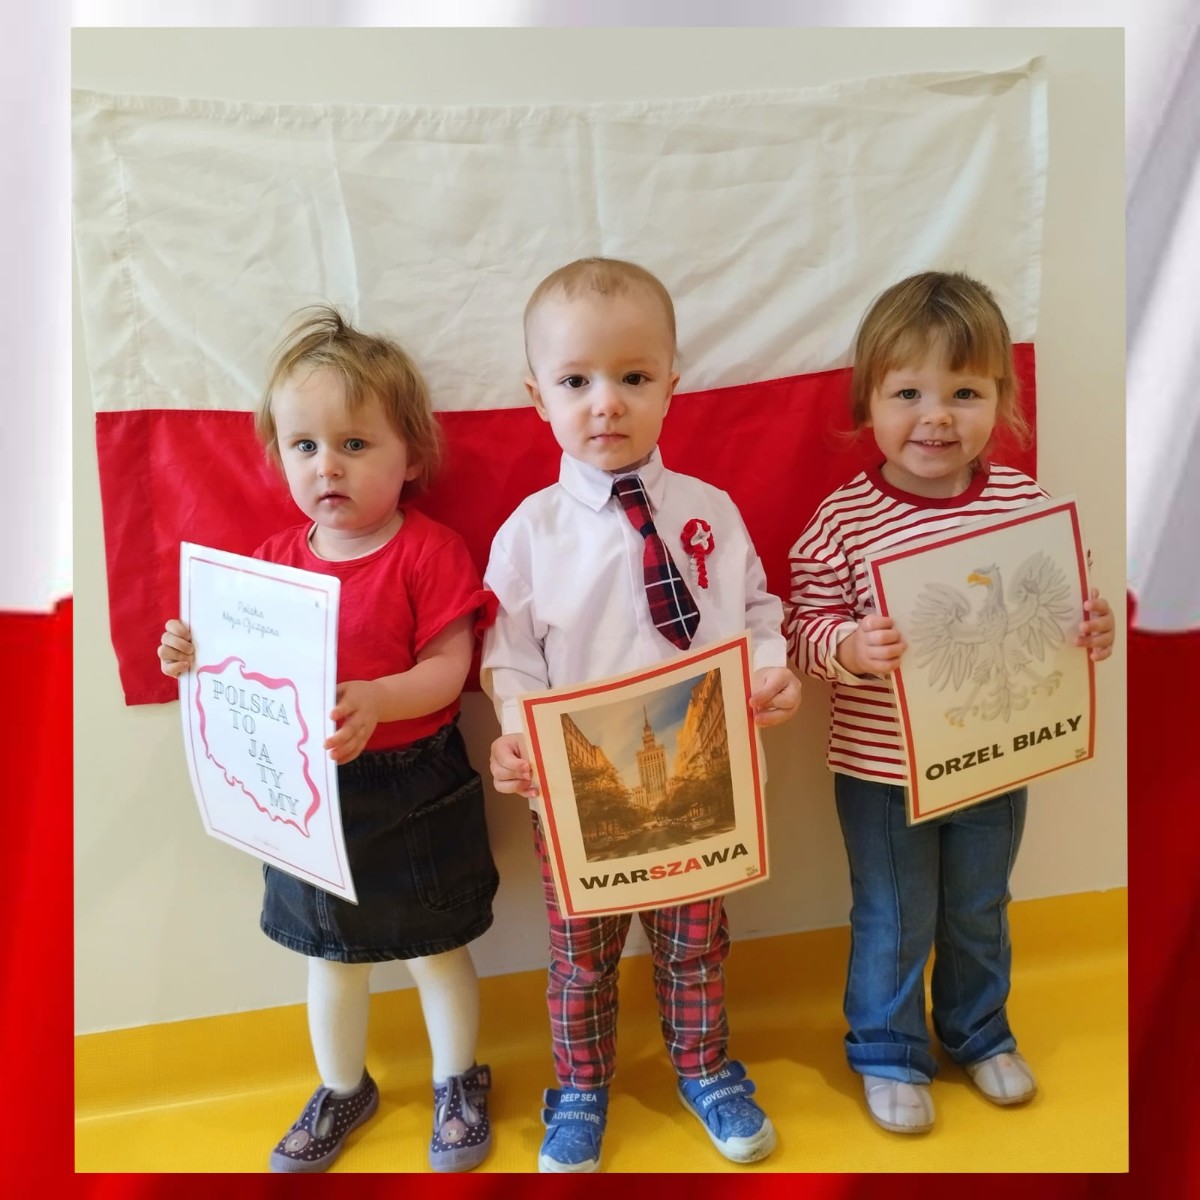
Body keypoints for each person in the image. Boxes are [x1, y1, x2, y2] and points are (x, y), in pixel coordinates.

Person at [157, 306, 499, 1173]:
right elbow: (236, 673)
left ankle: (459, 1078)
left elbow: (450, 667)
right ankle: (344, 1086)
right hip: (305, 797)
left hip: (413, 785)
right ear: (278, 458)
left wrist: (381, 697)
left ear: (410, 457)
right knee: (330, 959)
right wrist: (193, 656)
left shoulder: (429, 551)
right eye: (304, 446)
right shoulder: (272, 561)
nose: (328, 466)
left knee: (434, 949)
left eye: (354, 444)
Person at [481, 257, 802, 1173]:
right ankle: (580, 1087)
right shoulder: (529, 534)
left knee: (695, 946)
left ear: (671, 383)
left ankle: (703, 1066)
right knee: (580, 958)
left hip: (703, 784)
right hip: (577, 800)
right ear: (538, 396)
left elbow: (756, 613)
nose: (606, 403)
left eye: (632, 377)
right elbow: (509, 655)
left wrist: (771, 672)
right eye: (576, 382)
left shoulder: (711, 512)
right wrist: (515, 733)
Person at [785, 271, 1116, 1135]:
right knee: (895, 914)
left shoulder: (1027, 505)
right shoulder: (843, 521)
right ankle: (888, 1050)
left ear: (1001, 400)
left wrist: (1090, 626)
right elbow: (800, 628)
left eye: (964, 393)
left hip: (998, 759)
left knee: (979, 905)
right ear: (868, 401)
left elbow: (1065, 607)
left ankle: (979, 1032)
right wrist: (848, 647)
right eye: (909, 394)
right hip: (884, 773)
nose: (936, 417)